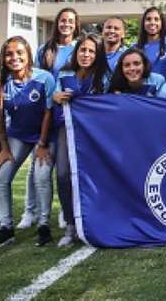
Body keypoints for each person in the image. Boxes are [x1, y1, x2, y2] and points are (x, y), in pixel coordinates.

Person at [0, 36, 56, 247]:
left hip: (45, 135)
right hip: (17, 135)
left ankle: (44, 225)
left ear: (28, 55)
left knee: (42, 175)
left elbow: (48, 113)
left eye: (19, 53)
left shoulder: (44, 78)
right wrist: (3, 149)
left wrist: (42, 145)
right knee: (0, 175)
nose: (14, 57)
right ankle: (6, 227)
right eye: (9, 54)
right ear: (3, 57)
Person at [24, 7, 79, 230]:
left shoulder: (79, 48)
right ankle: (30, 211)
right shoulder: (45, 49)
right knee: (37, 165)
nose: (66, 24)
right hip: (48, 109)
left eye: (71, 21)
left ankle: (63, 211)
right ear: (57, 23)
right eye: (63, 20)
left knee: (66, 167)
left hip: (70, 112)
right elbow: (37, 78)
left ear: (76, 25)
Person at [52, 33, 109, 246]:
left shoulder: (103, 76)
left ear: (98, 54)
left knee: (95, 176)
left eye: (91, 51)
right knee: (64, 174)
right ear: (76, 52)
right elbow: (54, 94)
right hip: (66, 131)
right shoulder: (65, 73)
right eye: (83, 50)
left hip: (94, 134)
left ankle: (95, 219)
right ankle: (70, 223)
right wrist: (55, 97)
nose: (86, 54)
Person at [134, 6, 166, 82]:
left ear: (162, 23)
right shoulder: (134, 47)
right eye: (148, 19)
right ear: (143, 23)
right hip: (141, 93)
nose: (152, 22)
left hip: (164, 92)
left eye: (156, 19)